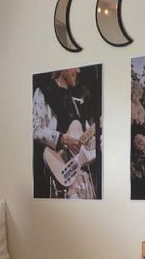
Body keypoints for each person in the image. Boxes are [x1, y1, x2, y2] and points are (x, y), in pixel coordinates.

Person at [32, 68, 99, 199]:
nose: (79, 71)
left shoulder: (74, 101)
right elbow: (36, 129)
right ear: (63, 70)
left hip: (79, 178)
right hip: (56, 175)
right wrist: (62, 139)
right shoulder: (43, 92)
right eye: (75, 67)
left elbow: (84, 143)